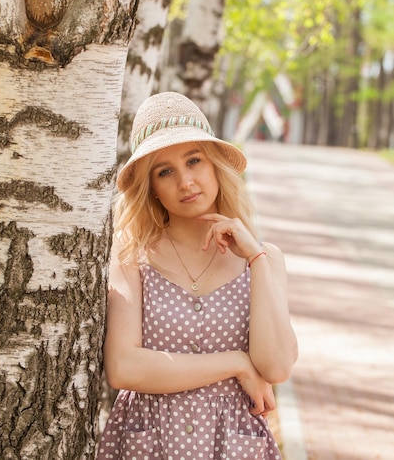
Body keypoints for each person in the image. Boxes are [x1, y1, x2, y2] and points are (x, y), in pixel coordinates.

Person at [97, 92, 298, 460]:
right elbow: (124, 368)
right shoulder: (131, 258)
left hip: (235, 445)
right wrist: (236, 364)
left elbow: (277, 366)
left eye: (194, 161)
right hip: (149, 442)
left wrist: (255, 258)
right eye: (165, 171)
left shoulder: (266, 260)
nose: (186, 182)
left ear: (215, 166)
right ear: (152, 188)